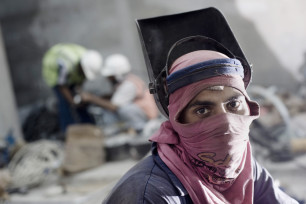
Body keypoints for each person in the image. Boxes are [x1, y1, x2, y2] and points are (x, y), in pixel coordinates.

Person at [102, 7, 299, 202]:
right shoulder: (148, 195)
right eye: (202, 110)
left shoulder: (244, 168)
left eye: (233, 105)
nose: (226, 123)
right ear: (177, 118)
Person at [79, 54, 159, 133]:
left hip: (148, 115)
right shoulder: (126, 81)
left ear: (118, 75)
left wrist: (91, 98)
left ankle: (140, 127)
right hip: (143, 113)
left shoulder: (128, 85)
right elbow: (115, 96)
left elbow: (113, 106)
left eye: (111, 76)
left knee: (124, 109)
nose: (108, 79)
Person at [42, 43, 103, 132]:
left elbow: (82, 78)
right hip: (54, 73)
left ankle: (88, 128)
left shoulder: (87, 59)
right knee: (64, 102)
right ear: (81, 66)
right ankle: (68, 132)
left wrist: (79, 94)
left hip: (71, 73)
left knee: (80, 102)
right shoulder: (65, 65)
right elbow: (62, 85)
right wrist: (72, 102)